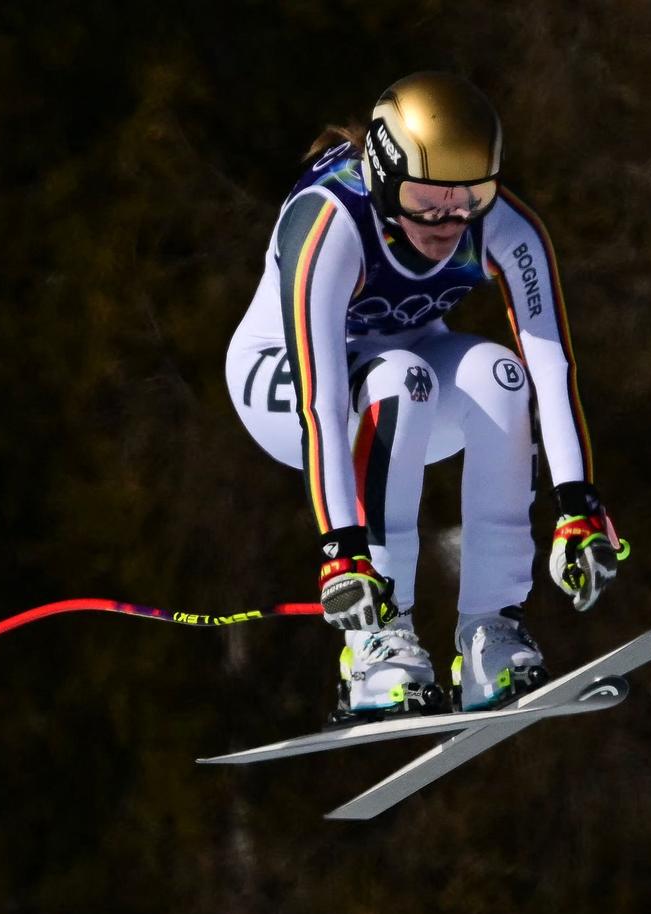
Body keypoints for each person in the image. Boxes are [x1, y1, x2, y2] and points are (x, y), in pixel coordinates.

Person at [225, 71, 628, 718]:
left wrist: (578, 504)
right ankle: (376, 643)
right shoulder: (330, 220)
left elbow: (551, 366)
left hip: (403, 374)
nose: (448, 222)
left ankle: (490, 632)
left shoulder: (502, 227)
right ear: (383, 177)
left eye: (469, 198)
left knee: (501, 376)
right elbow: (320, 402)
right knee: (397, 383)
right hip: (280, 381)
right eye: (425, 199)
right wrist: (342, 551)